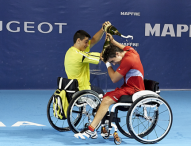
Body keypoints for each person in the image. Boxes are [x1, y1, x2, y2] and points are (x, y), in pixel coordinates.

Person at [74, 33, 145, 139]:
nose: (114, 64)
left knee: (106, 100)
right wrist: (112, 41)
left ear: (117, 54)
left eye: (113, 61)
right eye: (112, 62)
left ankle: (91, 130)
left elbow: (114, 78)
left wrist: (107, 63)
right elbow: (123, 47)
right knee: (105, 97)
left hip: (133, 90)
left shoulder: (128, 60)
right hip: (128, 86)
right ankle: (99, 124)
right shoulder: (131, 51)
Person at [64, 22, 111, 94]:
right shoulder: (80, 55)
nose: (87, 44)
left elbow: (93, 40)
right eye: (86, 42)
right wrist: (108, 41)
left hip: (72, 88)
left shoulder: (71, 51)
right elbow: (102, 56)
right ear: (78, 40)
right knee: (101, 93)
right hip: (82, 89)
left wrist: (103, 29)